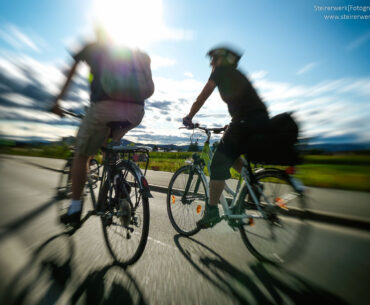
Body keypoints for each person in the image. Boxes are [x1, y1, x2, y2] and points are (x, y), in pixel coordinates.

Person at [52, 27, 154, 227]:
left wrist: (57, 101)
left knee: (82, 155)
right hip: (136, 112)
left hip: (104, 109)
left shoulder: (92, 47)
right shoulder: (131, 52)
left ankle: (74, 210)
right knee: (109, 148)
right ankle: (120, 187)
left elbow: (70, 74)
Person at [183, 46, 269, 228]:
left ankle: (211, 212)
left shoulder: (221, 72)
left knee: (217, 165)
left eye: (213, 59)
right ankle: (252, 185)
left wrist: (189, 117)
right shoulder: (237, 74)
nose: (211, 63)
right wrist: (233, 123)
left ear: (221, 60)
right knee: (234, 155)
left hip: (245, 121)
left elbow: (202, 97)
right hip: (259, 119)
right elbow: (246, 102)